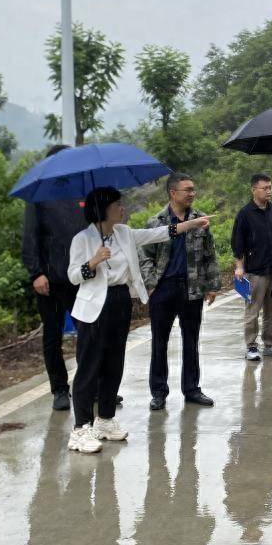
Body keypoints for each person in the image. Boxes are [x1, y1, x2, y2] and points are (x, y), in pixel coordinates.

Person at [65, 186, 186, 454]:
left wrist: (189, 224)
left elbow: (156, 234)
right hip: (94, 307)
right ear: (103, 209)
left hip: (120, 301)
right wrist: (93, 262)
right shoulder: (82, 240)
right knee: (89, 367)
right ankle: (80, 429)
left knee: (114, 362)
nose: (123, 209)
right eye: (117, 205)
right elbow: (74, 276)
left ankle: (105, 420)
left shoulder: (123, 233)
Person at [138, 173, 219, 410]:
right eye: (187, 190)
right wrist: (152, 284)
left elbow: (209, 254)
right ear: (173, 193)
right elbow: (145, 257)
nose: (192, 193)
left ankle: (192, 389)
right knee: (159, 343)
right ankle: (159, 392)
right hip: (163, 289)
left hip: (191, 289)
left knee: (191, 341)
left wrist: (212, 285)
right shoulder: (156, 222)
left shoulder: (200, 220)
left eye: (193, 189)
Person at [20, 144, 81, 411]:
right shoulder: (39, 196)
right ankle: (59, 389)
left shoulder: (82, 190)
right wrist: (37, 273)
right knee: (53, 336)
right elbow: (30, 237)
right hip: (51, 280)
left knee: (90, 333)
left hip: (81, 276)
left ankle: (90, 387)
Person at [230, 173, 272, 362]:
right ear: (254, 189)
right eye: (265, 188)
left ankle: (270, 344)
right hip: (255, 270)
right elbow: (237, 243)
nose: (269, 191)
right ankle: (251, 347)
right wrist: (239, 267)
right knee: (252, 310)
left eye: (270, 187)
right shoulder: (245, 214)